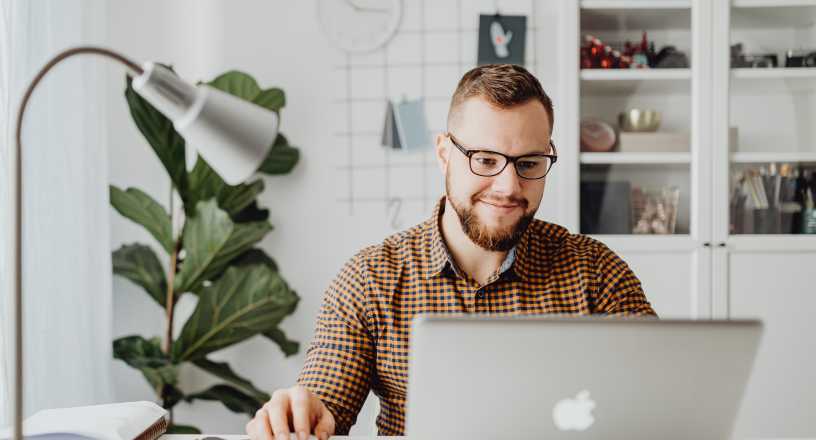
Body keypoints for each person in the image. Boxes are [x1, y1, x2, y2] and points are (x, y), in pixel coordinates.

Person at [245, 64, 656, 440]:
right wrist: (300, 414)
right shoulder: (371, 277)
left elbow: (661, 401)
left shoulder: (597, 272)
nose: (509, 187)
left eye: (529, 163)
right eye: (485, 159)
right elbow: (324, 402)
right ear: (444, 154)